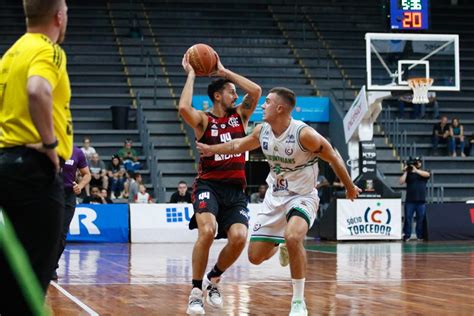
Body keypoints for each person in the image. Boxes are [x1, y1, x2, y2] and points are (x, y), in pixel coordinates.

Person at [196, 87, 360, 316]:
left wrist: (350, 186)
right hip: (274, 199)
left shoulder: (304, 135)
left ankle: (298, 301)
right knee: (255, 258)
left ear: (280, 108)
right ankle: (279, 243)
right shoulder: (262, 130)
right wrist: (210, 149)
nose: (263, 105)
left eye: (268, 102)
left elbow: (333, 155)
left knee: (294, 236)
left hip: (302, 196)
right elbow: (236, 145)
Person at [0, 0, 71, 313]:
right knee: (33, 279)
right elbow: (37, 90)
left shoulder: (10, 54)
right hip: (34, 171)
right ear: (58, 16)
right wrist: (50, 145)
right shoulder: (48, 49)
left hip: (5, 165)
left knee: (8, 276)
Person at [179, 51, 261, 315]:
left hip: (236, 190)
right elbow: (183, 108)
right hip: (209, 186)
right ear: (217, 96)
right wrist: (192, 73)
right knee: (207, 231)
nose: (236, 96)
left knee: (239, 238)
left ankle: (213, 279)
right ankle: (194, 291)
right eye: (230, 91)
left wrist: (224, 72)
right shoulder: (204, 120)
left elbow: (256, 90)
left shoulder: (241, 116)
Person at [52, 146, 91, 280]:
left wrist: (79, 186)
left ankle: (52, 266)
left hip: (68, 196)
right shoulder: (47, 147)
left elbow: (87, 174)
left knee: (62, 233)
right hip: (50, 193)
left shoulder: (77, 152)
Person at [399, 157, 430, 241]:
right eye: (416, 162)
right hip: (410, 201)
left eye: (419, 162)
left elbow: (427, 174)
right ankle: (407, 235)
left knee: (420, 219)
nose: (418, 163)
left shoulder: (423, 172)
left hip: (421, 201)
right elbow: (401, 182)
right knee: (408, 218)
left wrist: (416, 170)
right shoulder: (408, 173)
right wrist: (406, 171)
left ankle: (420, 236)